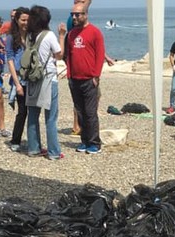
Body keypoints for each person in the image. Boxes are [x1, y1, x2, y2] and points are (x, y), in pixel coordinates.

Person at [65, 1, 106, 155]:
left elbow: (100, 55)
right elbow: (69, 55)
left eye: (77, 14)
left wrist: (96, 76)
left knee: (90, 112)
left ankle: (94, 142)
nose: (74, 17)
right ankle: (84, 140)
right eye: (72, 14)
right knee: (80, 112)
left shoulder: (95, 32)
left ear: (85, 15)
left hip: (89, 79)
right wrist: (69, 74)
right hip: (74, 79)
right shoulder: (71, 34)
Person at [25, 5, 64, 160]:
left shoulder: (29, 36)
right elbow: (59, 55)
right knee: (51, 117)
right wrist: (62, 35)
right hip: (48, 78)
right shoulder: (49, 35)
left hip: (33, 78)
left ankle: (34, 148)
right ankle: (53, 152)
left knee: (33, 115)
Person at [5, 7, 30, 152]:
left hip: (32, 78)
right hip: (19, 78)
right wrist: (16, 83)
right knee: (22, 111)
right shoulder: (11, 37)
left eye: (28, 20)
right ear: (16, 20)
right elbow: (10, 59)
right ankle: (16, 140)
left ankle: (33, 140)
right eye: (23, 20)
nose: (26, 23)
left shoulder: (32, 36)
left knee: (33, 111)